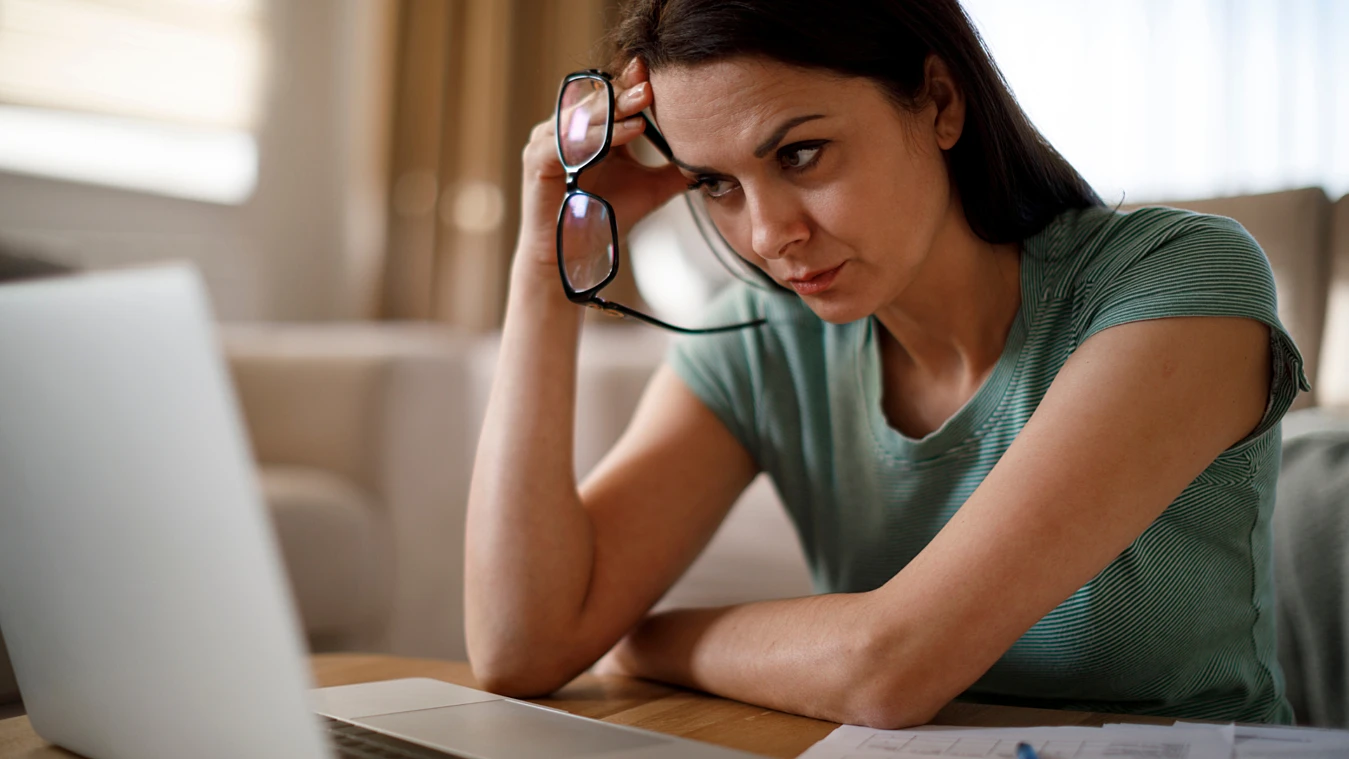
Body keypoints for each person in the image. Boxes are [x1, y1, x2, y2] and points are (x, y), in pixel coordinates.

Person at [465, 0, 1308, 727]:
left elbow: (887, 668)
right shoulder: (767, 338)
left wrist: (647, 635)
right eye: (714, 183)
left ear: (939, 101)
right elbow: (521, 645)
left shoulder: (1178, 278)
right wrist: (545, 270)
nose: (766, 236)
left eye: (799, 154)